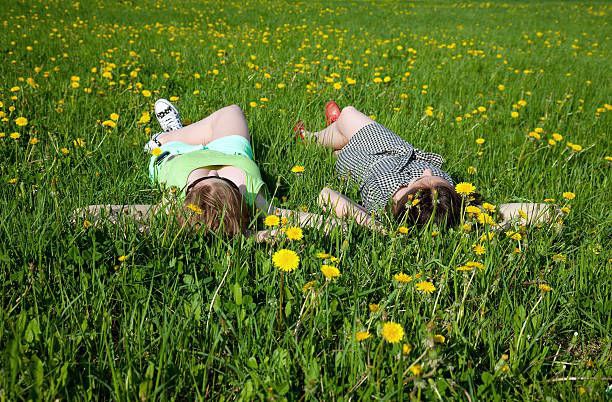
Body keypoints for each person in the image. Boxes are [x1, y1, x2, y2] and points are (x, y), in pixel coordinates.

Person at [79, 100, 340, 238]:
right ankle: (182, 131)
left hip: (175, 153)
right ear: (240, 200)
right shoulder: (256, 202)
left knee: (161, 143)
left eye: (204, 183)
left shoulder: (173, 204)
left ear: (189, 194)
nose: (215, 174)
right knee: (232, 111)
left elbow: (90, 213)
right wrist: (254, 235)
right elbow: (320, 224)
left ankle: (169, 134)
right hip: (230, 152)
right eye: (226, 182)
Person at [295, 101, 463, 230]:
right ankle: (336, 130)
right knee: (345, 131)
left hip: (362, 157)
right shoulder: (445, 203)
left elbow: (325, 196)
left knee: (347, 114)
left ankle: (313, 139)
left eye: (420, 179)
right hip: (395, 149)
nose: (426, 171)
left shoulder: (384, 209)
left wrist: (377, 227)